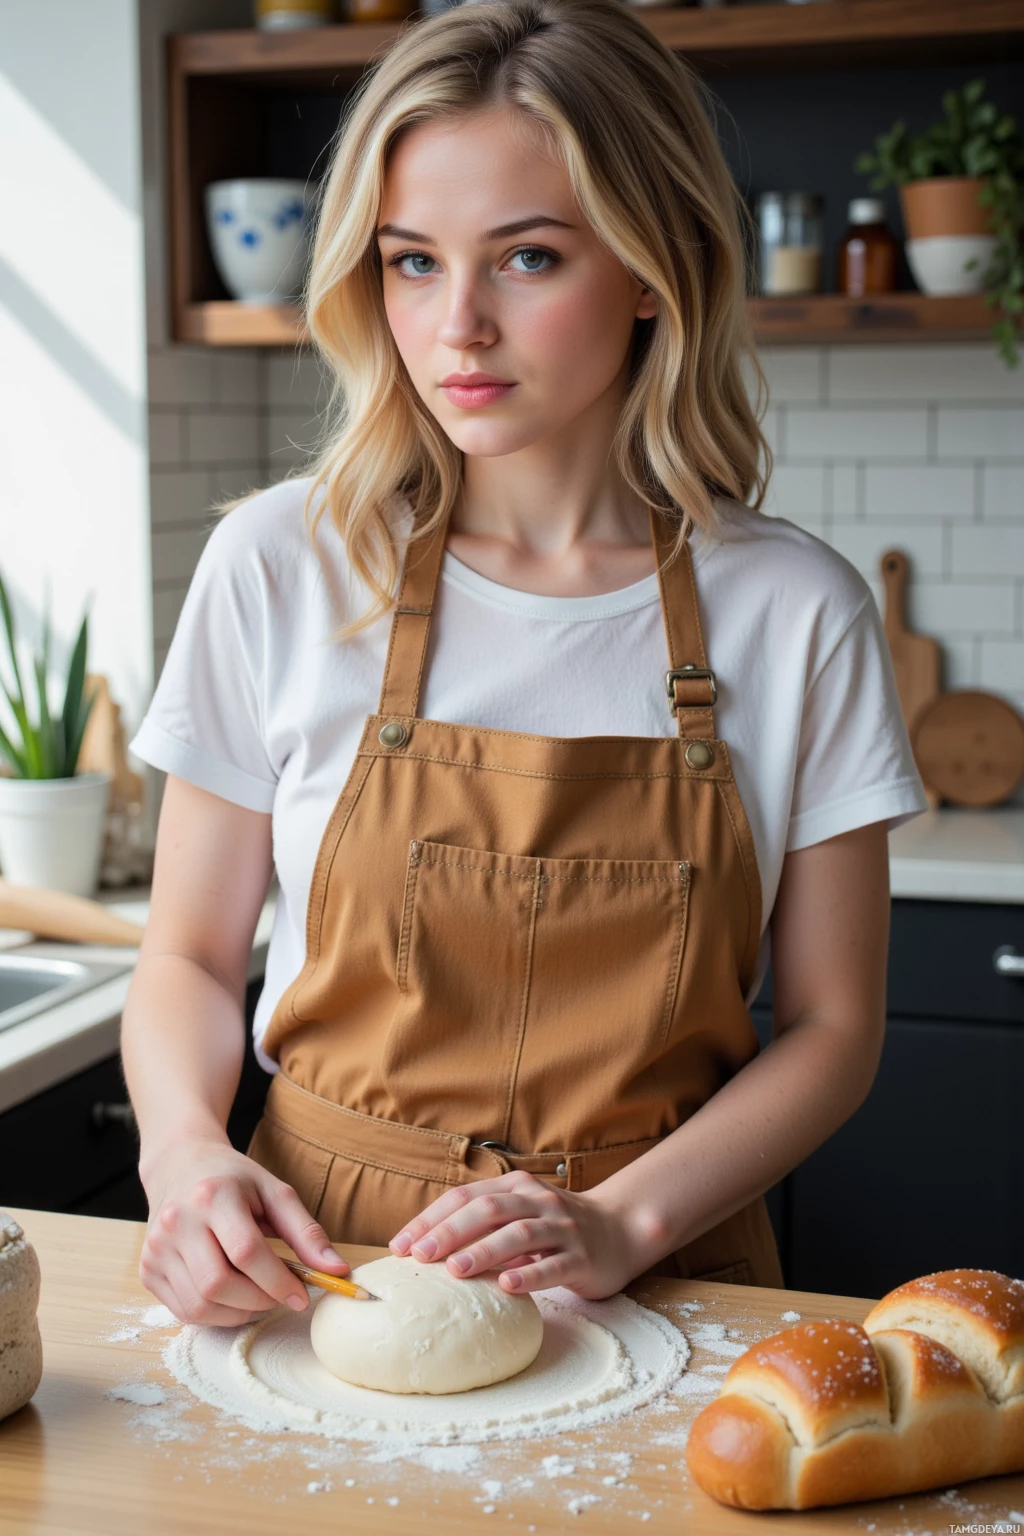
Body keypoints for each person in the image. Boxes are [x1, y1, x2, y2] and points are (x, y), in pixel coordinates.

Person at [123, 0, 928, 1327]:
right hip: (321, 1267)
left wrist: (625, 1220)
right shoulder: (282, 563)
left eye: (530, 258)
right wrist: (185, 1155)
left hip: (661, 1269)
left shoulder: (794, 609)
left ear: (656, 267)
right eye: (412, 262)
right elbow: (191, 962)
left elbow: (838, 1028)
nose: (458, 330)